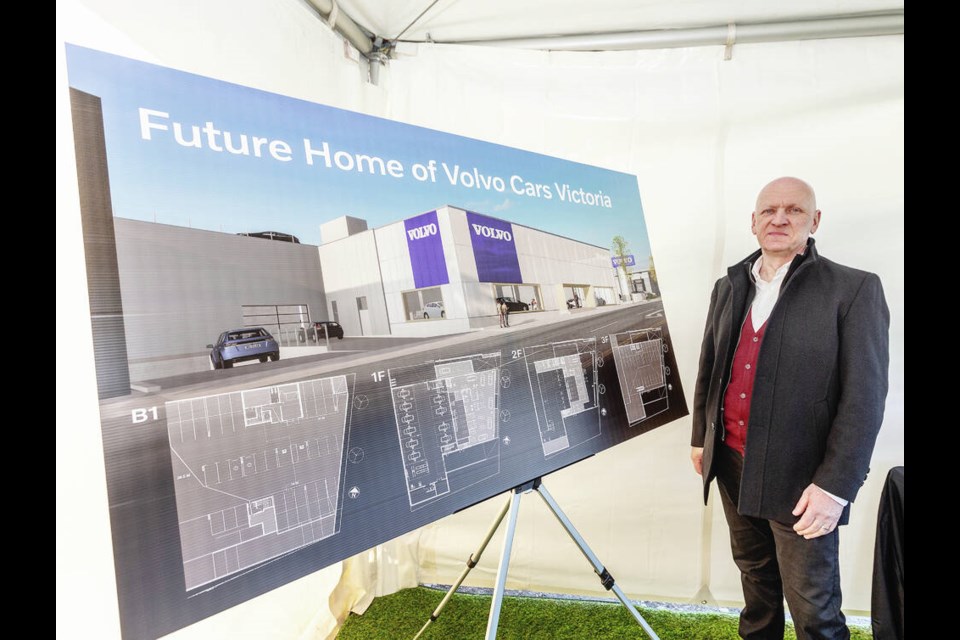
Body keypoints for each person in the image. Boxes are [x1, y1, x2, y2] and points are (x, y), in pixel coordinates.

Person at [691, 177, 889, 639]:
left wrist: (835, 487)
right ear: (754, 222)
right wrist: (702, 437)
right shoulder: (729, 285)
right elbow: (710, 366)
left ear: (814, 221)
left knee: (814, 610)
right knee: (757, 590)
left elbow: (864, 398)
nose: (779, 219)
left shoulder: (853, 289)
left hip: (804, 480)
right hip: (732, 463)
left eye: (794, 211)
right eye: (768, 211)